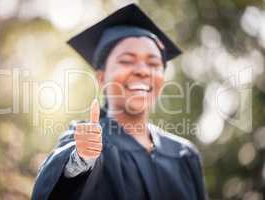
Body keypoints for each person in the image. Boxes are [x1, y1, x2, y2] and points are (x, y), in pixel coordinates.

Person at [31, 3, 207, 200]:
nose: (143, 70)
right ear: (101, 77)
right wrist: (81, 160)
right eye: (127, 60)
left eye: (154, 63)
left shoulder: (184, 154)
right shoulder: (85, 141)